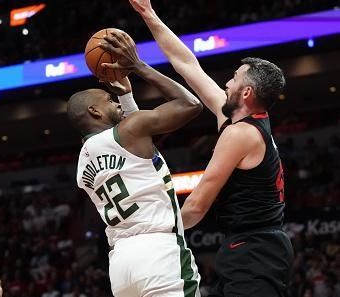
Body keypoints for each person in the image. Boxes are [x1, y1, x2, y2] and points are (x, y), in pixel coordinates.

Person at [129, 1, 294, 296]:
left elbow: (196, 206)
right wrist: (148, 14)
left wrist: (146, 231)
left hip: (257, 252)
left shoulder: (241, 134)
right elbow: (187, 64)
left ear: (246, 92)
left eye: (234, 79)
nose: (227, 83)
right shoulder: (238, 119)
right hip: (252, 250)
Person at [67, 31, 202, 297]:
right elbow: (190, 104)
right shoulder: (130, 131)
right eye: (109, 100)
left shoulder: (83, 166)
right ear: (94, 111)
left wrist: (128, 97)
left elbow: (135, 147)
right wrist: (138, 66)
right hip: (159, 252)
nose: (116, 102)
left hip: (121, 265)